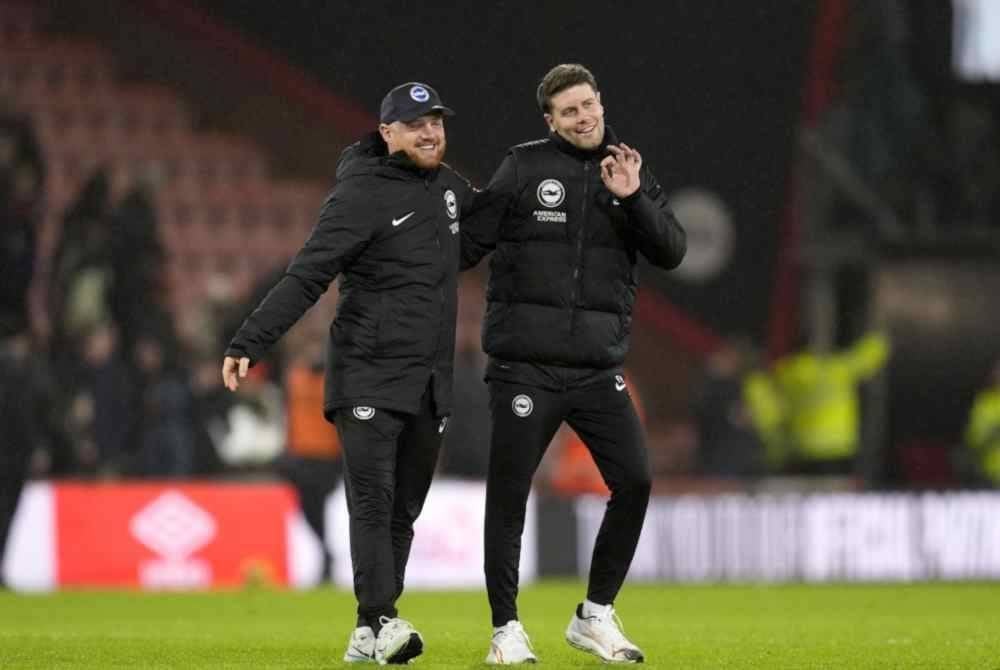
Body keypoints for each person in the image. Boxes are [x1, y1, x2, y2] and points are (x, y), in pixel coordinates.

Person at [222, 81, 469, 665]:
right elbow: (308, 274)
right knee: (373, 500)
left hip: (429, 380)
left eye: (436, 122)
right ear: (387, 133)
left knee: (404, 509)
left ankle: (367, 627)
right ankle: (384, 619)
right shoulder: (359, 193)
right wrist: (251, 339)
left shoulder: (451, 190)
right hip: (367, 373)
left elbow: (498, 232)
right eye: (416, 124)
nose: (430, 132)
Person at [461, 63, 687, 664]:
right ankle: (506, 630)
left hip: (595, 369)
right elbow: (468, 243)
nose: (583, 118)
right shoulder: (523, 167)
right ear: (551, 121)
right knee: (510, 496)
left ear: (600, 103)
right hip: (524, 367)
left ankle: (595, 615)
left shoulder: (628, 169)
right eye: (569, 111)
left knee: (635, 481)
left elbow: (672, 251)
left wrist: (633, 197)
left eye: (588, 105)